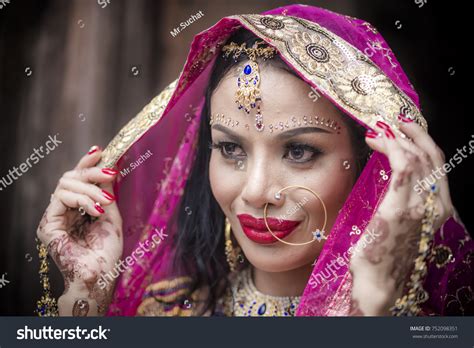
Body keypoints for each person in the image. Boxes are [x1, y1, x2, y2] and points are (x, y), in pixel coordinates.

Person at [36, 4, 473, 317]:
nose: (256, 191)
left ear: (371, 165)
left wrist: (372, 303)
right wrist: (86, 293)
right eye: (230, 149)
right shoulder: (164, 312)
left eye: (299, 151)